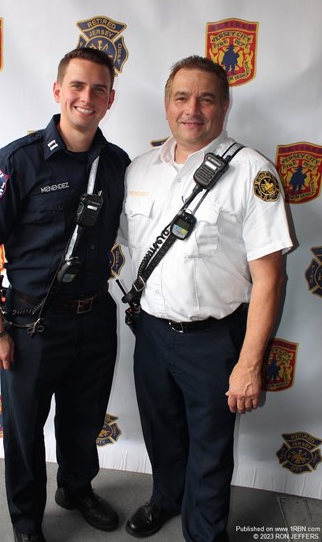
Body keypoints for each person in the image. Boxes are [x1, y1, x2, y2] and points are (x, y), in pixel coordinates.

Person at [122, 55, 292, 541]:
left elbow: (271, 279)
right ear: (166, 103)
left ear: (224, 106)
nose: (191, 109)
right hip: (152, 333)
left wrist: (249, 364)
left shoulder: (252, 173)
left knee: (211, 448)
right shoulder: (138, 171)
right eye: (181, 97)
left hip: (215, 341)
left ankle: (203, 533)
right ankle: (165, 500)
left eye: (206, 98)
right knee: (160, 431)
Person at [0, 47, 130, 542]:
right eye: (77, 86)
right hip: (29, 322)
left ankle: (76, 488)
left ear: (110, 99)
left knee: (83, 419)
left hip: (94, 317)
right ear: (58, 91)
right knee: (24, 432)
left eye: (98, 88)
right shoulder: (16, 160)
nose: (87, 96)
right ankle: (25, 522)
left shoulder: (119, 163)